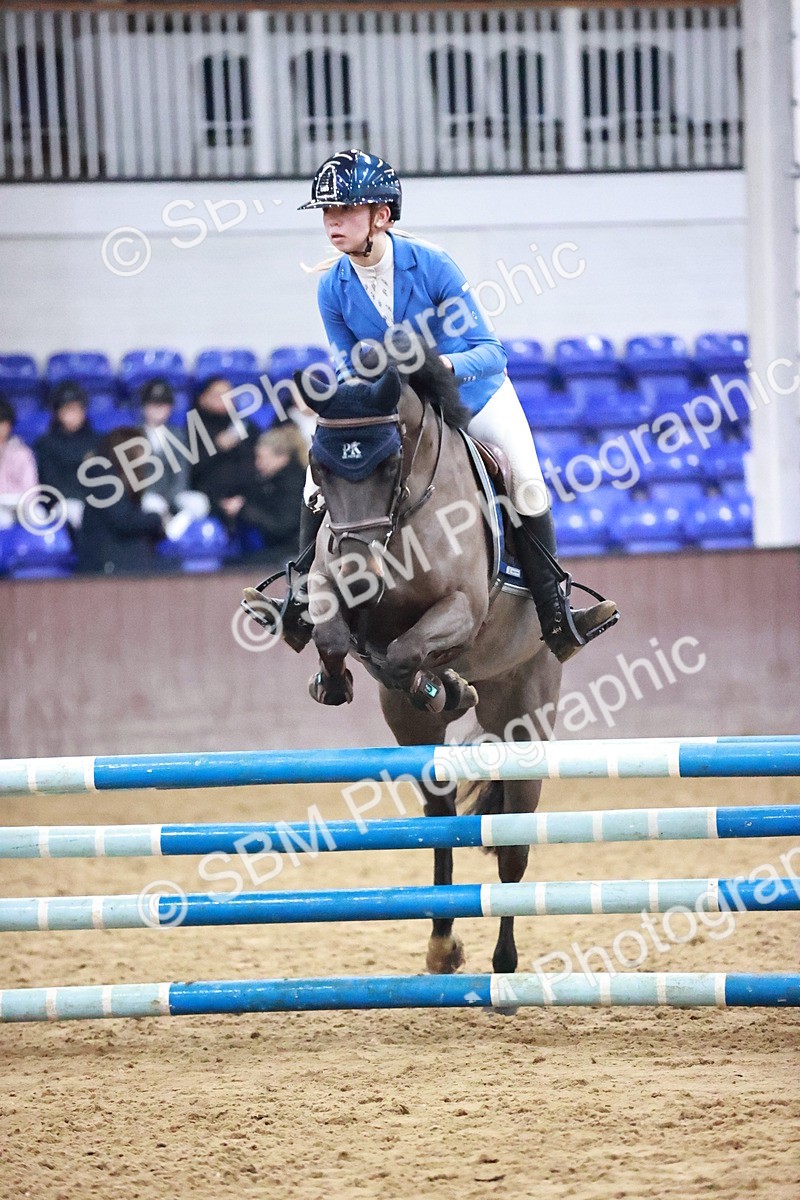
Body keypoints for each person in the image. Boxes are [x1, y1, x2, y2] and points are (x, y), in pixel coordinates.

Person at [267, 148, 618, 663]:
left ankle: (556, 613)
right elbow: (348, 369)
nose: (332, 222)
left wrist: (438, 368)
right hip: (393, 410)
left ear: (380, 216)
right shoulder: (332, 287)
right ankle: (300, 601)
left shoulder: (431, 266)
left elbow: (491, 353)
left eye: (344, 210)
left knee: (525, 480)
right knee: (314, 485)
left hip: (473, 397)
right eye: (327, 213)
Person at [78, 426, 167, 575]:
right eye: (141, 448)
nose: (145, 455)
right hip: (106, 564)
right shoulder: (103, 479)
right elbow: (123, 521)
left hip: (123, 558)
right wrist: (157, 518)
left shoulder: (123, 478)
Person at [137, 378, 209, 533]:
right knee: (151, 504)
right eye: (153, 404)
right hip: (147, 495)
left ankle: (175, 530)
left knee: (199, 502)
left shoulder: (178, 435)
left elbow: (181, 471)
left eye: (163, 404)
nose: (158, 408)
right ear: (144, 407)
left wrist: (171, 498)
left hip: (173, 493)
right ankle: (169, 531)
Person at [189, 375, 258, 526]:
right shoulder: (192, 429)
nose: (224, 400)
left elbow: (259, 464)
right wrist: (216, 447)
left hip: (245, 498)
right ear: (202, 398)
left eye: (229, 395)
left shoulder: (246, 426)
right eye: (217, 396)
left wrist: (243, 498)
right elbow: (190, 470)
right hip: (208, 499)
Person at [236, 425, 308, 562]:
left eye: (261, 458)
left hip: (293, 552)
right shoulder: (269, 482)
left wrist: (244, 510)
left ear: (282, 457)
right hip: (281, 549)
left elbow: (283, 526)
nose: (258, 464)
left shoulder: (295, 484)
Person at [35, 380, 97, 530]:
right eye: (67, 410)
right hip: (62, 504)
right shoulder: (46, 444)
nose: (73, 415)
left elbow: (104, 478)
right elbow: (50, 483)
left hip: (95, 501)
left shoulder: (98, 441)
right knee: (75, 510)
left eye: (76, 409)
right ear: (58, 413)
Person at [0, 395, 39, 529]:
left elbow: (31, 488)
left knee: (38, 516)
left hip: (21, 503)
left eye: (3, 423)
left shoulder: (22, 452)